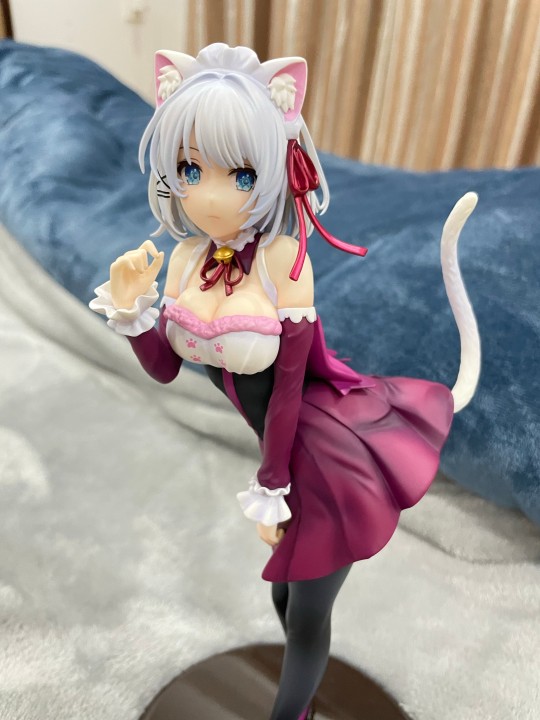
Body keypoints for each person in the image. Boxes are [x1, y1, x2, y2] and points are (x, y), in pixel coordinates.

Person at [90, 43, 481, 720]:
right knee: (285, 596)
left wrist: (274, 488)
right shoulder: (184, 260)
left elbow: (291, 388)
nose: (210, 196)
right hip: (284, 454)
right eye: (190, 170)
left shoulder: (283, 262)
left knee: (305, 615)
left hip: (324, 452)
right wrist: (132, 311)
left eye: (240, 175)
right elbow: (165, 367)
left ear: (276, 170)